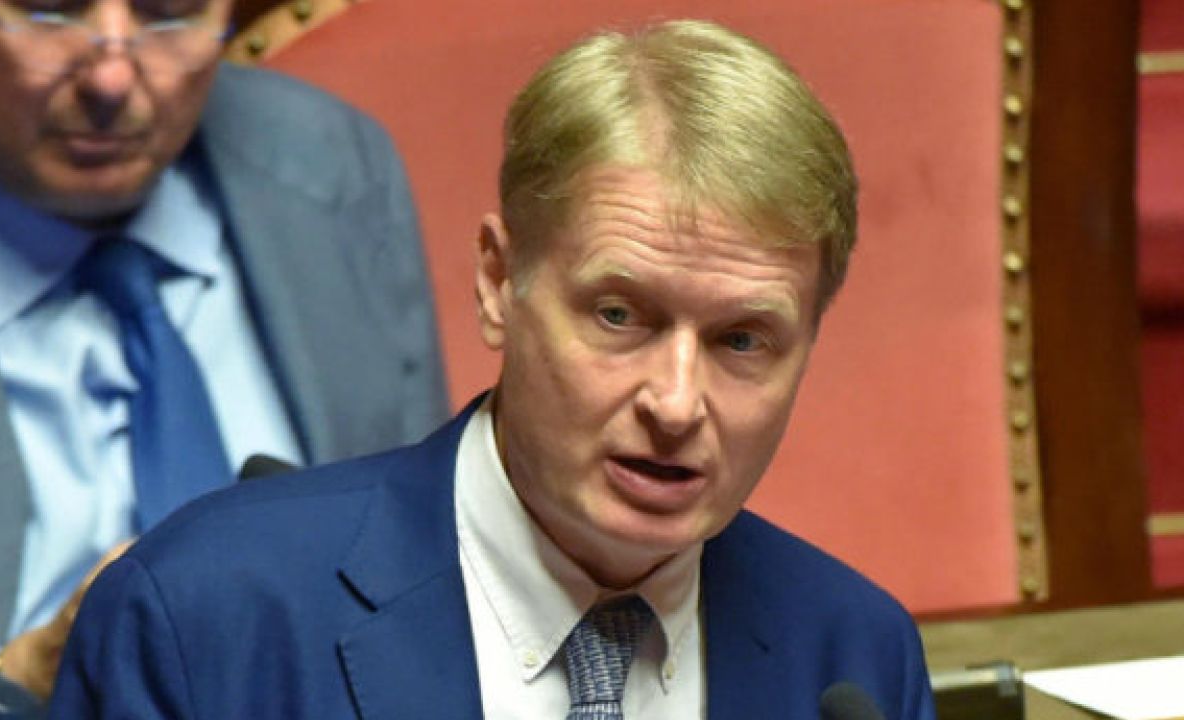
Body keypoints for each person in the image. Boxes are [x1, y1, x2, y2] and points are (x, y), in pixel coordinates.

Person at [50, 19, 935, 720]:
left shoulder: (854, 657)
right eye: (619, 316)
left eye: (741, 341)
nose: (675, 404)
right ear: (499, 282)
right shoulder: (206, 617)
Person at [0, 0, 448, 700]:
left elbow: (427, 569)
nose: (110, 78)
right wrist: (21, 680)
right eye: (50, 9)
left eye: (171, 11)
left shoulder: (333, 163)